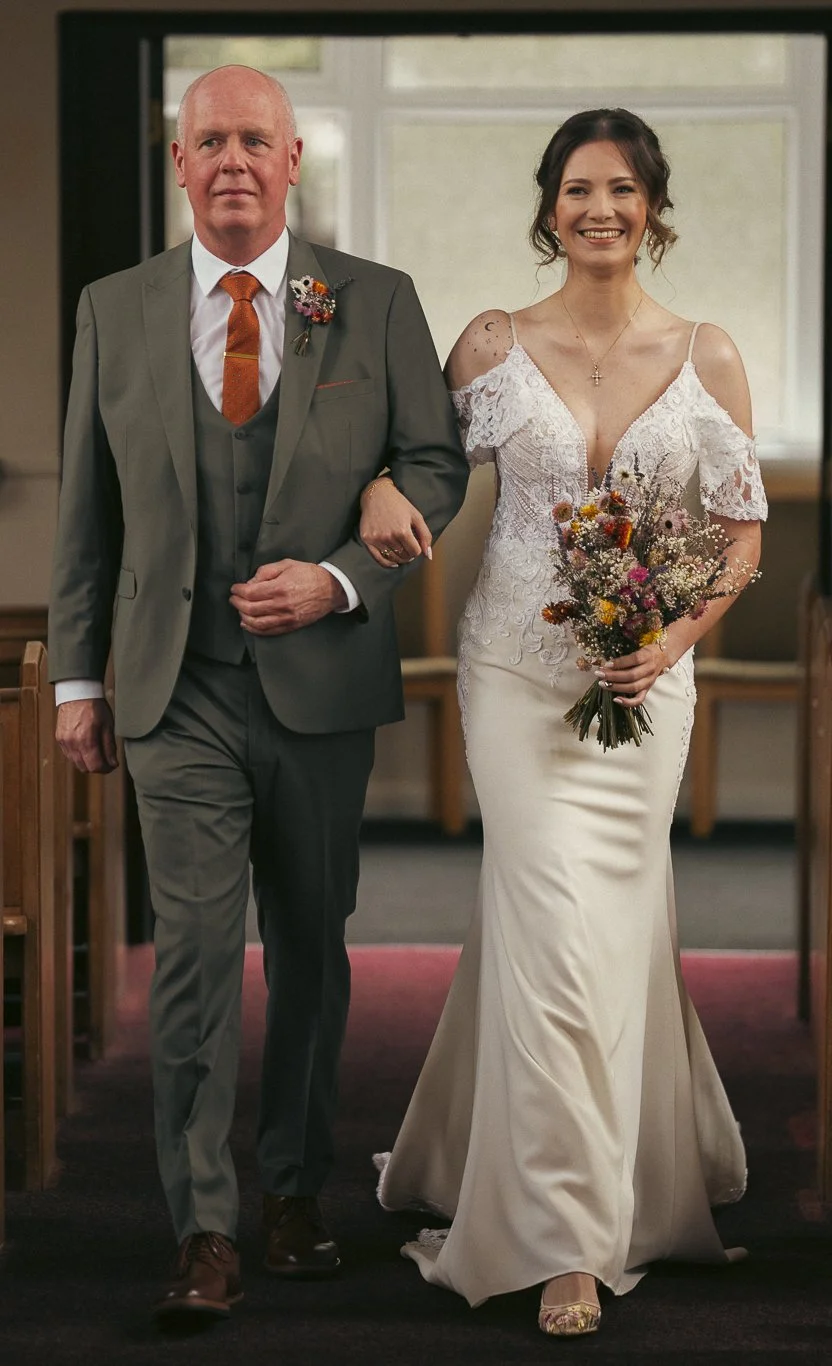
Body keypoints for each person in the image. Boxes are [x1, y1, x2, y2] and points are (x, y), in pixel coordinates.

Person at [49, 64, 468, 1320]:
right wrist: (79, 679)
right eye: (208, 139)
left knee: (309, 951)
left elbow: (434, 464)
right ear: (178, 165)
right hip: (173, 691)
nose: (232, 159)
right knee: (188, 957)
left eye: (256, 140)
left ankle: (291, 1190)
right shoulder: (113, 309)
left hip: (322, 686)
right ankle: (204, 1224)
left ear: (293, 163)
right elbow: (87, 509)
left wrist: (343, 578)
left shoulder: (376, 302)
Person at [369, 108, 766, 1337]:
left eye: (624, 188)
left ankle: (555, 1166)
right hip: (515, 671)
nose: (600, 207)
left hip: (651, 686)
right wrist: (385, 482)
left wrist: (669, 641)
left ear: (653, 206)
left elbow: (741, 538)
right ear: (548, 207)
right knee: (549, 929)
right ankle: (562, 1240)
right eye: (578, 188)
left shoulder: (708, 351)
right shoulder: (491, 341)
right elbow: (422, 463)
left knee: (608, 932)